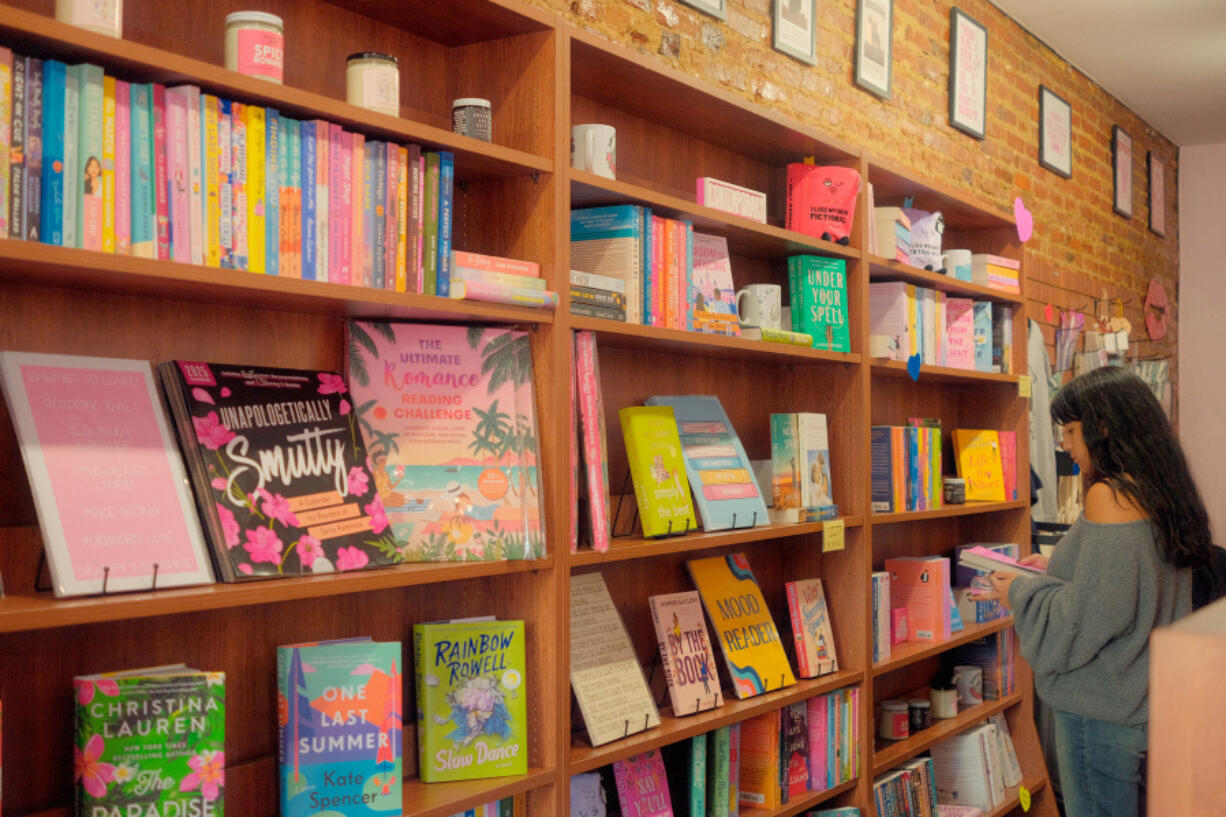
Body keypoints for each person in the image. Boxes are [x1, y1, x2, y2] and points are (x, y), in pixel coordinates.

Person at [979, 366, 1213, 817]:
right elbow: (1130, 578)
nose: (1063, 443)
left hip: (1103, 710)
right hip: (1152, 700)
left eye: (1070, 429)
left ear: (1103, 427)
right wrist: (1052, 567)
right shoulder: (1161, 491)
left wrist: (1020, 593)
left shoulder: (1108, 494)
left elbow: (1083, 619)